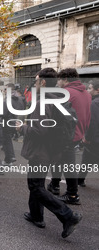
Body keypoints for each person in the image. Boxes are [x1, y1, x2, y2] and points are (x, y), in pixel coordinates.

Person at [18, 67, 82, 238]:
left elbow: (40, 130)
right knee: (36, 184)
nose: (35, 84)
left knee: (36, 186)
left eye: (36, 80)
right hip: (52, 149)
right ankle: (36, 216)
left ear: (43, 82)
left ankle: (68, 216)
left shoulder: (43, 101)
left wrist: (22, 127)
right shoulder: (59, 98)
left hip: (41, 151)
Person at [48, 68, 91, 205]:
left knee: (67, 164)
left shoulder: (66, 93)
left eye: (59, 80)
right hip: (78, 132)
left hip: (66, 133)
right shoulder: (86, 93)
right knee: (59, 160)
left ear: (65, 79)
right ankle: (54, 185)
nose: (58, 83)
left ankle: (72, 194)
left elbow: (57, 116)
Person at [78, 79, 99, 186]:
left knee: (86, 160)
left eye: (90, 88)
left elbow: (93, 122)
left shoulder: (95, 103)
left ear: (97, 90)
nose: (88, 90)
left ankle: (79, 180)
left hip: (94, 140)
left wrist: (87, 138)